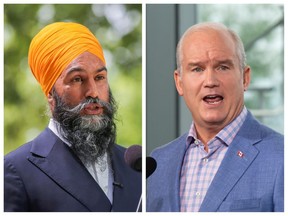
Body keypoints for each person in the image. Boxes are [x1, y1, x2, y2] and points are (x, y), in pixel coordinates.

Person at [4, 22, 141, 212]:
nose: (93, 92)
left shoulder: (135, 166)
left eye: (100, 78)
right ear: (50, 94)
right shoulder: (16, 170)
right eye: (77, 79)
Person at [147, 22, 284, 212]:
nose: (210, 81)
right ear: (179, 82)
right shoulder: (157, 163)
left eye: (222, 67)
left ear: (245, 78)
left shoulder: (280, 156)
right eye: (197, 69)